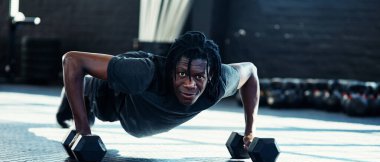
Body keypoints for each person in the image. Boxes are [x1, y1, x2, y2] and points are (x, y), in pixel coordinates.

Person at [56, 31, 259, 149]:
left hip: (142, 108)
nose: (190, 84)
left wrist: (250, 132)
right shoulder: (145, 73)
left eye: (198, 77)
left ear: (211, 75)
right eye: (181, 74)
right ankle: (83, 87)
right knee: (103, 111)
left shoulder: (220, 81)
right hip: (122, 97)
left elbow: (250, 71)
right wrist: (83, 129)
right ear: (171, 70)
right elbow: (72, 60)